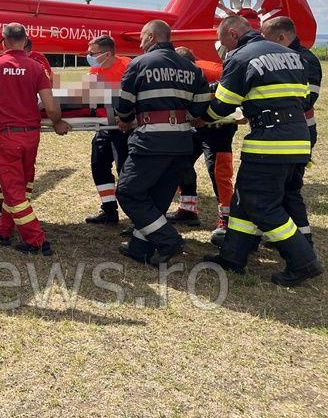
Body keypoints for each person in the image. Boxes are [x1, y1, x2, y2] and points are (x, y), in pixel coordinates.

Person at [203, 15, 323, 286]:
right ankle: (233, 256)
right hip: (298, 138)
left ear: (233, 35)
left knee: (261, 205)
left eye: (223, 43)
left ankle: (303, 261)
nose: (223, 50)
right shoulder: (292, 56)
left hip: (270, 141)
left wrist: (202, 116)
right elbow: (302, 97)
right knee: (243, 198)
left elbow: (223, 104)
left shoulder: (241, 57)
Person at [114, 20, 211, 265]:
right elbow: (201, 105)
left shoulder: (140, 63)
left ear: (152, 37)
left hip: (151, 140)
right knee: (157, 196)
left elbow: (124, 104)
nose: (140, 43)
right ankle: (140, 247)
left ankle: (169, 240)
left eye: (142, 37)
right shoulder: (192, 68)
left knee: (128, 192)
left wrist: (124, 119)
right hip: (182, 142)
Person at [0, 23, 70, 255]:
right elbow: (51, 106)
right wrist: (58, 122)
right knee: (21, 187)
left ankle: (36, 240)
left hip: (6, 135)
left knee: (13, 192)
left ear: (4, 42)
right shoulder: (36, 67)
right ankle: (3, 230)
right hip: (31, 135)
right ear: (25, 40)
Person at [260, 15, 322, 245]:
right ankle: (287, 235)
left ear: (282, 37)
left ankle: (302, 240)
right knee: (281, 188)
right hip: (286, 131)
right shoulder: (284, 57)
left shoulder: (305, 60)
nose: (264, 45)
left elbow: (307, 99)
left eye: (267, 39)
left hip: (297, 131)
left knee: (289, 188)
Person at [167, 47, 237, 245]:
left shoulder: (215, 71)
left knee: (218, 172)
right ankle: (187, 209)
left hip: (219, 127)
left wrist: (207, 115)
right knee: (181, 162)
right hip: (195, 125)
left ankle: (228, 220)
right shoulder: (179, 72)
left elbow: (231, 93)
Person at [0, 37, 53, 221]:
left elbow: (49, 86)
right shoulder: (0, 63)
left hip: (14, 125)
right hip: (8, 125)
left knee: (23, 168)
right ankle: (2, 204)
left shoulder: (37, 62)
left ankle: (17, 206)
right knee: (3, 166)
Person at [83, 35, 132, 225]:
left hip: (124, 126)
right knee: (98, 164)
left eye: (92, 52)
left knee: (124, 169)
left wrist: (127, 118)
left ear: (108, 53)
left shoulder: (127, 66)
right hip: (105, 124)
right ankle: (109, 210)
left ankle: (136, 216)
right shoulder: (95, 68)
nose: (89, 56)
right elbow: (90, 96)